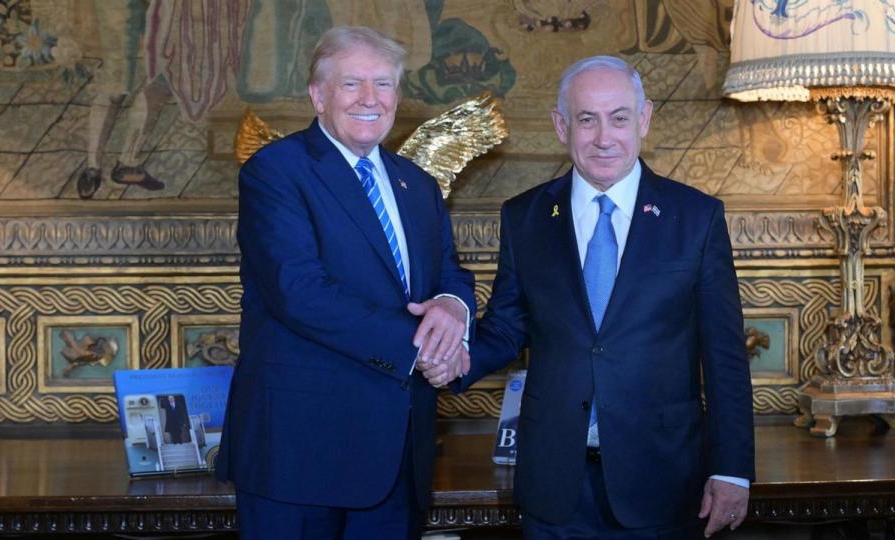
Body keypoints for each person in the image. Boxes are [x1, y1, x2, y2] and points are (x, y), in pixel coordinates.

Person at [433, 55, 755, 539]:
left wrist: (732, 469)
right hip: (554, 485)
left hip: (663, 479)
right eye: (587, 119)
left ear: (643, 119)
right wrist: (455, 360)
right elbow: (506, 325)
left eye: (619, 118)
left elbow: (726, 356)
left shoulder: (696, 217)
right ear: (562, 126)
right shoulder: (525, 217)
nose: (604, 137)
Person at [215, 26, 476, 539]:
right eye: (352, 84)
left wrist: (453, 310)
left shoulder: (416, 184)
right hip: (300, 455)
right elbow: (299, 292)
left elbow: (448, 270)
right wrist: (422, 346)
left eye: (384, 84)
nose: (370, 99)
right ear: (318, 94)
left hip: (398, 456)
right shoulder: (276, 171)